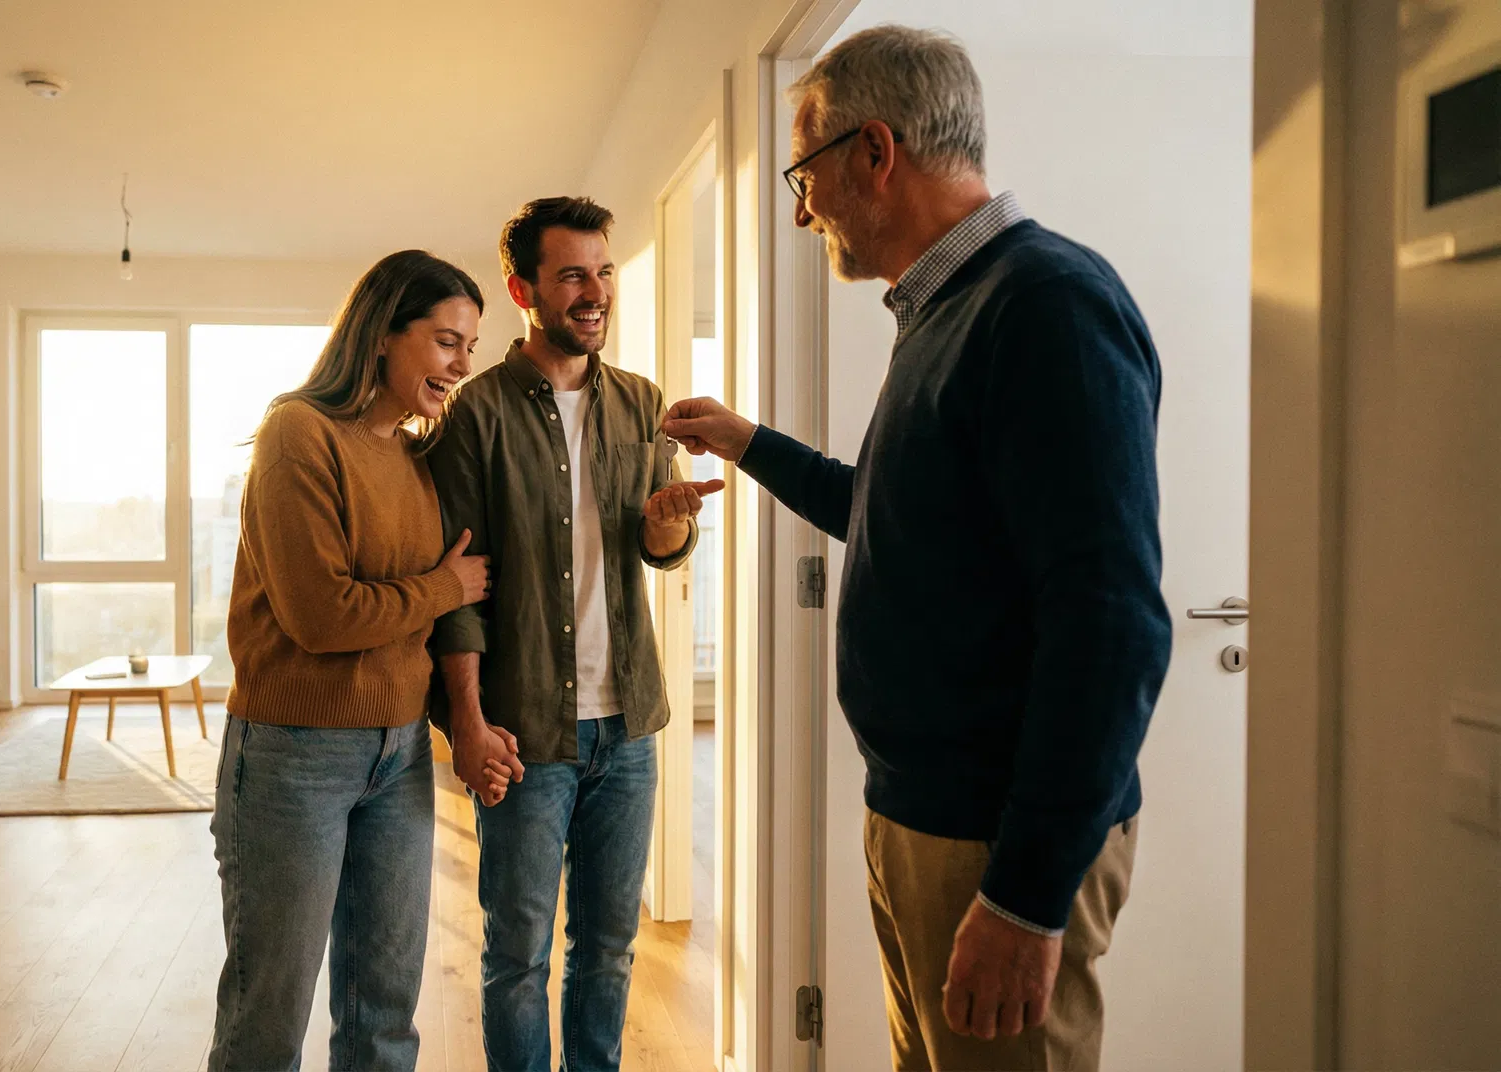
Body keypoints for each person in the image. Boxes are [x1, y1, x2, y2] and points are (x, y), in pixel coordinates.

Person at [664, 26, 1171, 1072]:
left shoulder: (1044, 305)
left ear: (874, 153)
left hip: (993, 838)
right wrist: (746, 442)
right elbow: (890, 513)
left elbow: (1111, 624)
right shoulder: (947, 311)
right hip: (925, 816)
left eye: (804, 175)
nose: (800, 211)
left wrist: (1025, 896)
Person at [426, 196, 722, 1071]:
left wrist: (669, 524)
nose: (595, 293)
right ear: (524, 289)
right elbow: (457, 595)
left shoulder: (641, 403)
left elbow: (660, 550)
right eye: (572, 276)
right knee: (518, 957)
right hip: (524, 731)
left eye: (603, 273)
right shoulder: (474, 415)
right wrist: (469, 722)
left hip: (627, 728)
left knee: (609, 948)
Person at [208, 250, 492, 1072]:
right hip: (292, 756)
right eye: (446, 341)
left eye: (469, 346)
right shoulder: (298, 433)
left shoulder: (413, 456)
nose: (461, 365)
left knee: (385, 1014)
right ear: (381, 336)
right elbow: (321, 616)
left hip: (399, 753)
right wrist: (442, 586)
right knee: (268, 1015)